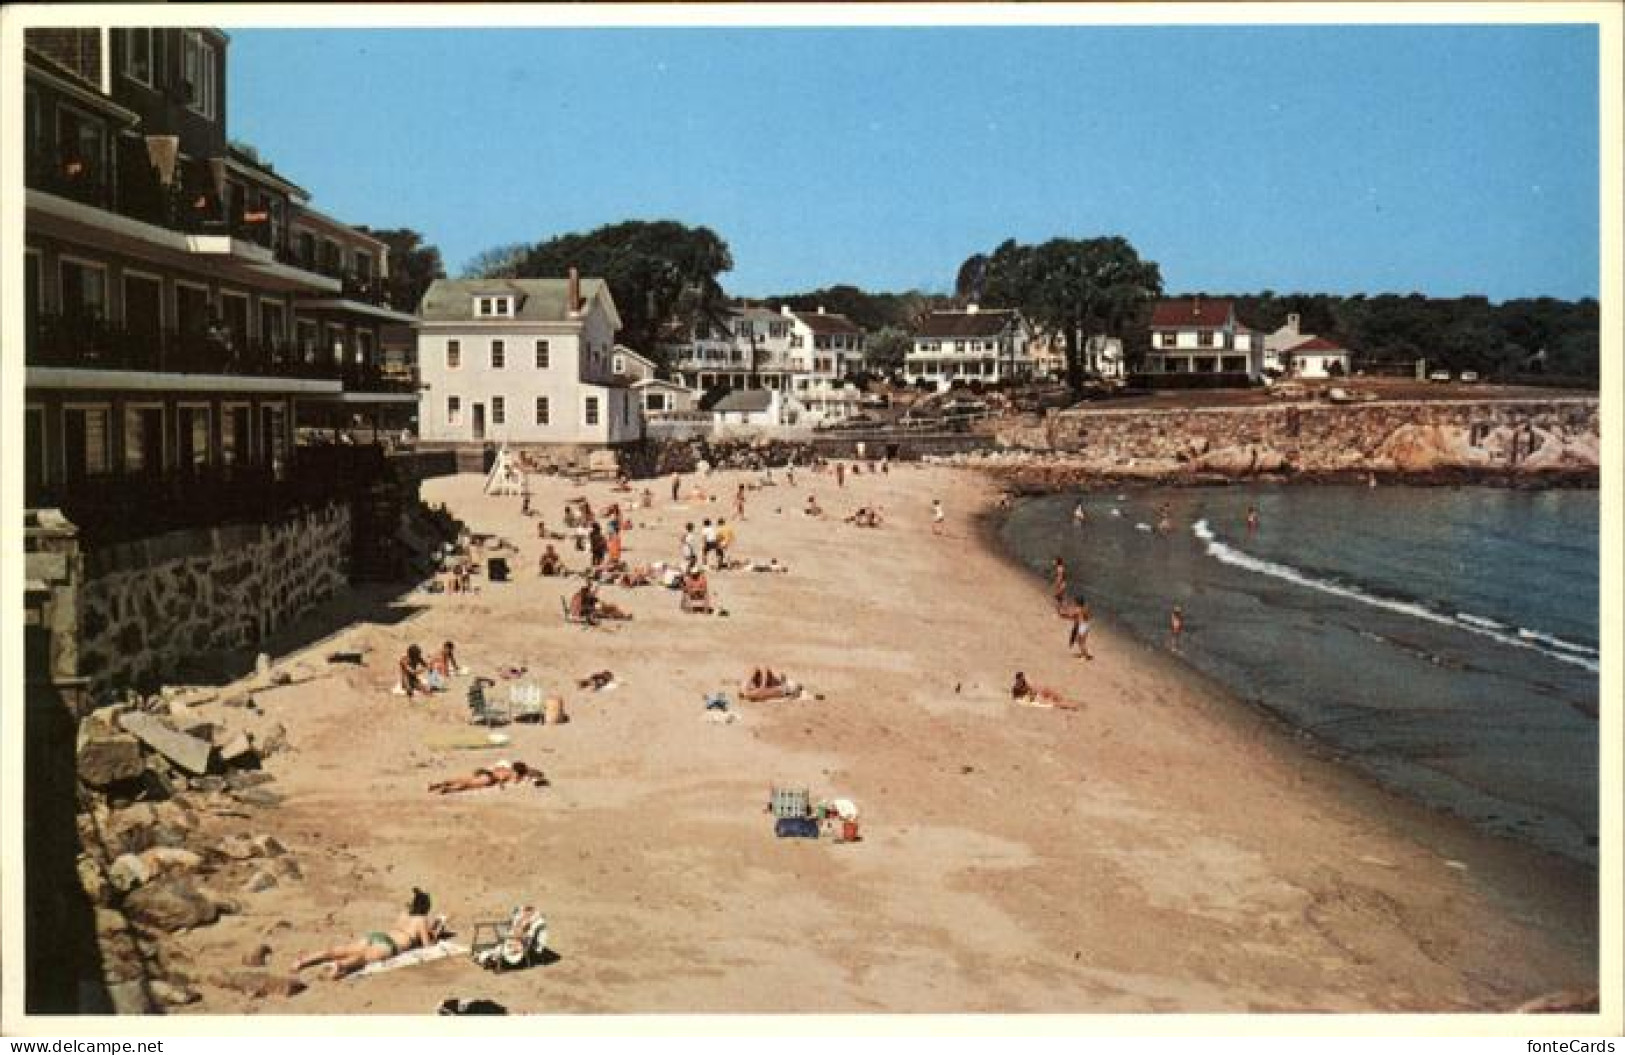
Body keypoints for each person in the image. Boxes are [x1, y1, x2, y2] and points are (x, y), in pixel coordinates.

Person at [292, 890, 448, 979]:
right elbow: (427, 946)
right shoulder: (421, 920)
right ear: (425, 909)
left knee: (341, 950)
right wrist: (436, 934)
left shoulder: (403, 913)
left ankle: (304, 960)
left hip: (378, 935)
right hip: (389, 945)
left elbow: (399, 928)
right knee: (363, 958)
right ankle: (339, 966)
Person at [429, 760, 546, 794]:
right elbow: (501, 779)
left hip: (486, 772)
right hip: (490, 778)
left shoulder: (506, 766)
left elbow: (495, 769)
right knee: (468, 785)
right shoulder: (513, 774)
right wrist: (501, 784)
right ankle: (447, 789)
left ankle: (437, 784)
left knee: (462, 779)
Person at [1010, 671, 1080, 711]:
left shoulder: (1024, 683)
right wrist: (1032, 695)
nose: (1025, 679)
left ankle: (1063, 700)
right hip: (1026, 699)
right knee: (1051, 703)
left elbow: (1031, 689)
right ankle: (1070, 706)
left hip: (1029, 697)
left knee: (1047, 691)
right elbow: (1024, 698)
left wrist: (1033, 692)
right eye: (1023, 678)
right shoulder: (1017, 687)